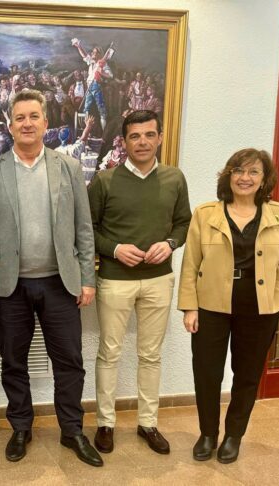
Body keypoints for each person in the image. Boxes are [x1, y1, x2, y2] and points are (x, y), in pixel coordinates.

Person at [0, 89, 103, 467]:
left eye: (33, 116)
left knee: (70, 362)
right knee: (13, 361)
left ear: (46, 123)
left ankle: (72, 431)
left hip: (60, 283)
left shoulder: (68, 168)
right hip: (8, 287)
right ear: (10, 125)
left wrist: (87, 278)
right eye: (20, 118)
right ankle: (21, 428)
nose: (27, 123)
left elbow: (84, 228)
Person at [178, 148, 279, 464]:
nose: (245, 178)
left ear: (264, 179)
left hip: (260, 307)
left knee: (247, 374)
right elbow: (191, 264)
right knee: (207, 372)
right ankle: (207, 434)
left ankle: (233, 435)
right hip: (211, 305)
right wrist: (190, 307)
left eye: (254, 172)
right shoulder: (206, 214)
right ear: (228, 176)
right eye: (239, 171)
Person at [88, 110, 191, 456]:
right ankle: (105, 423)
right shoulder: (104, 181)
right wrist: (115, 249)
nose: (142, 142)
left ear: (159, 138)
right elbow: (88, 230)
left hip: (159, 280)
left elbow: (183, 223)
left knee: (150, 355)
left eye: (149, 135)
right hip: (115, 280)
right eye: (135, 136)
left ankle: (148, 423)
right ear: (124, 141)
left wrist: (171, 244)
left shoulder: (175, 179)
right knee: (109, 353)